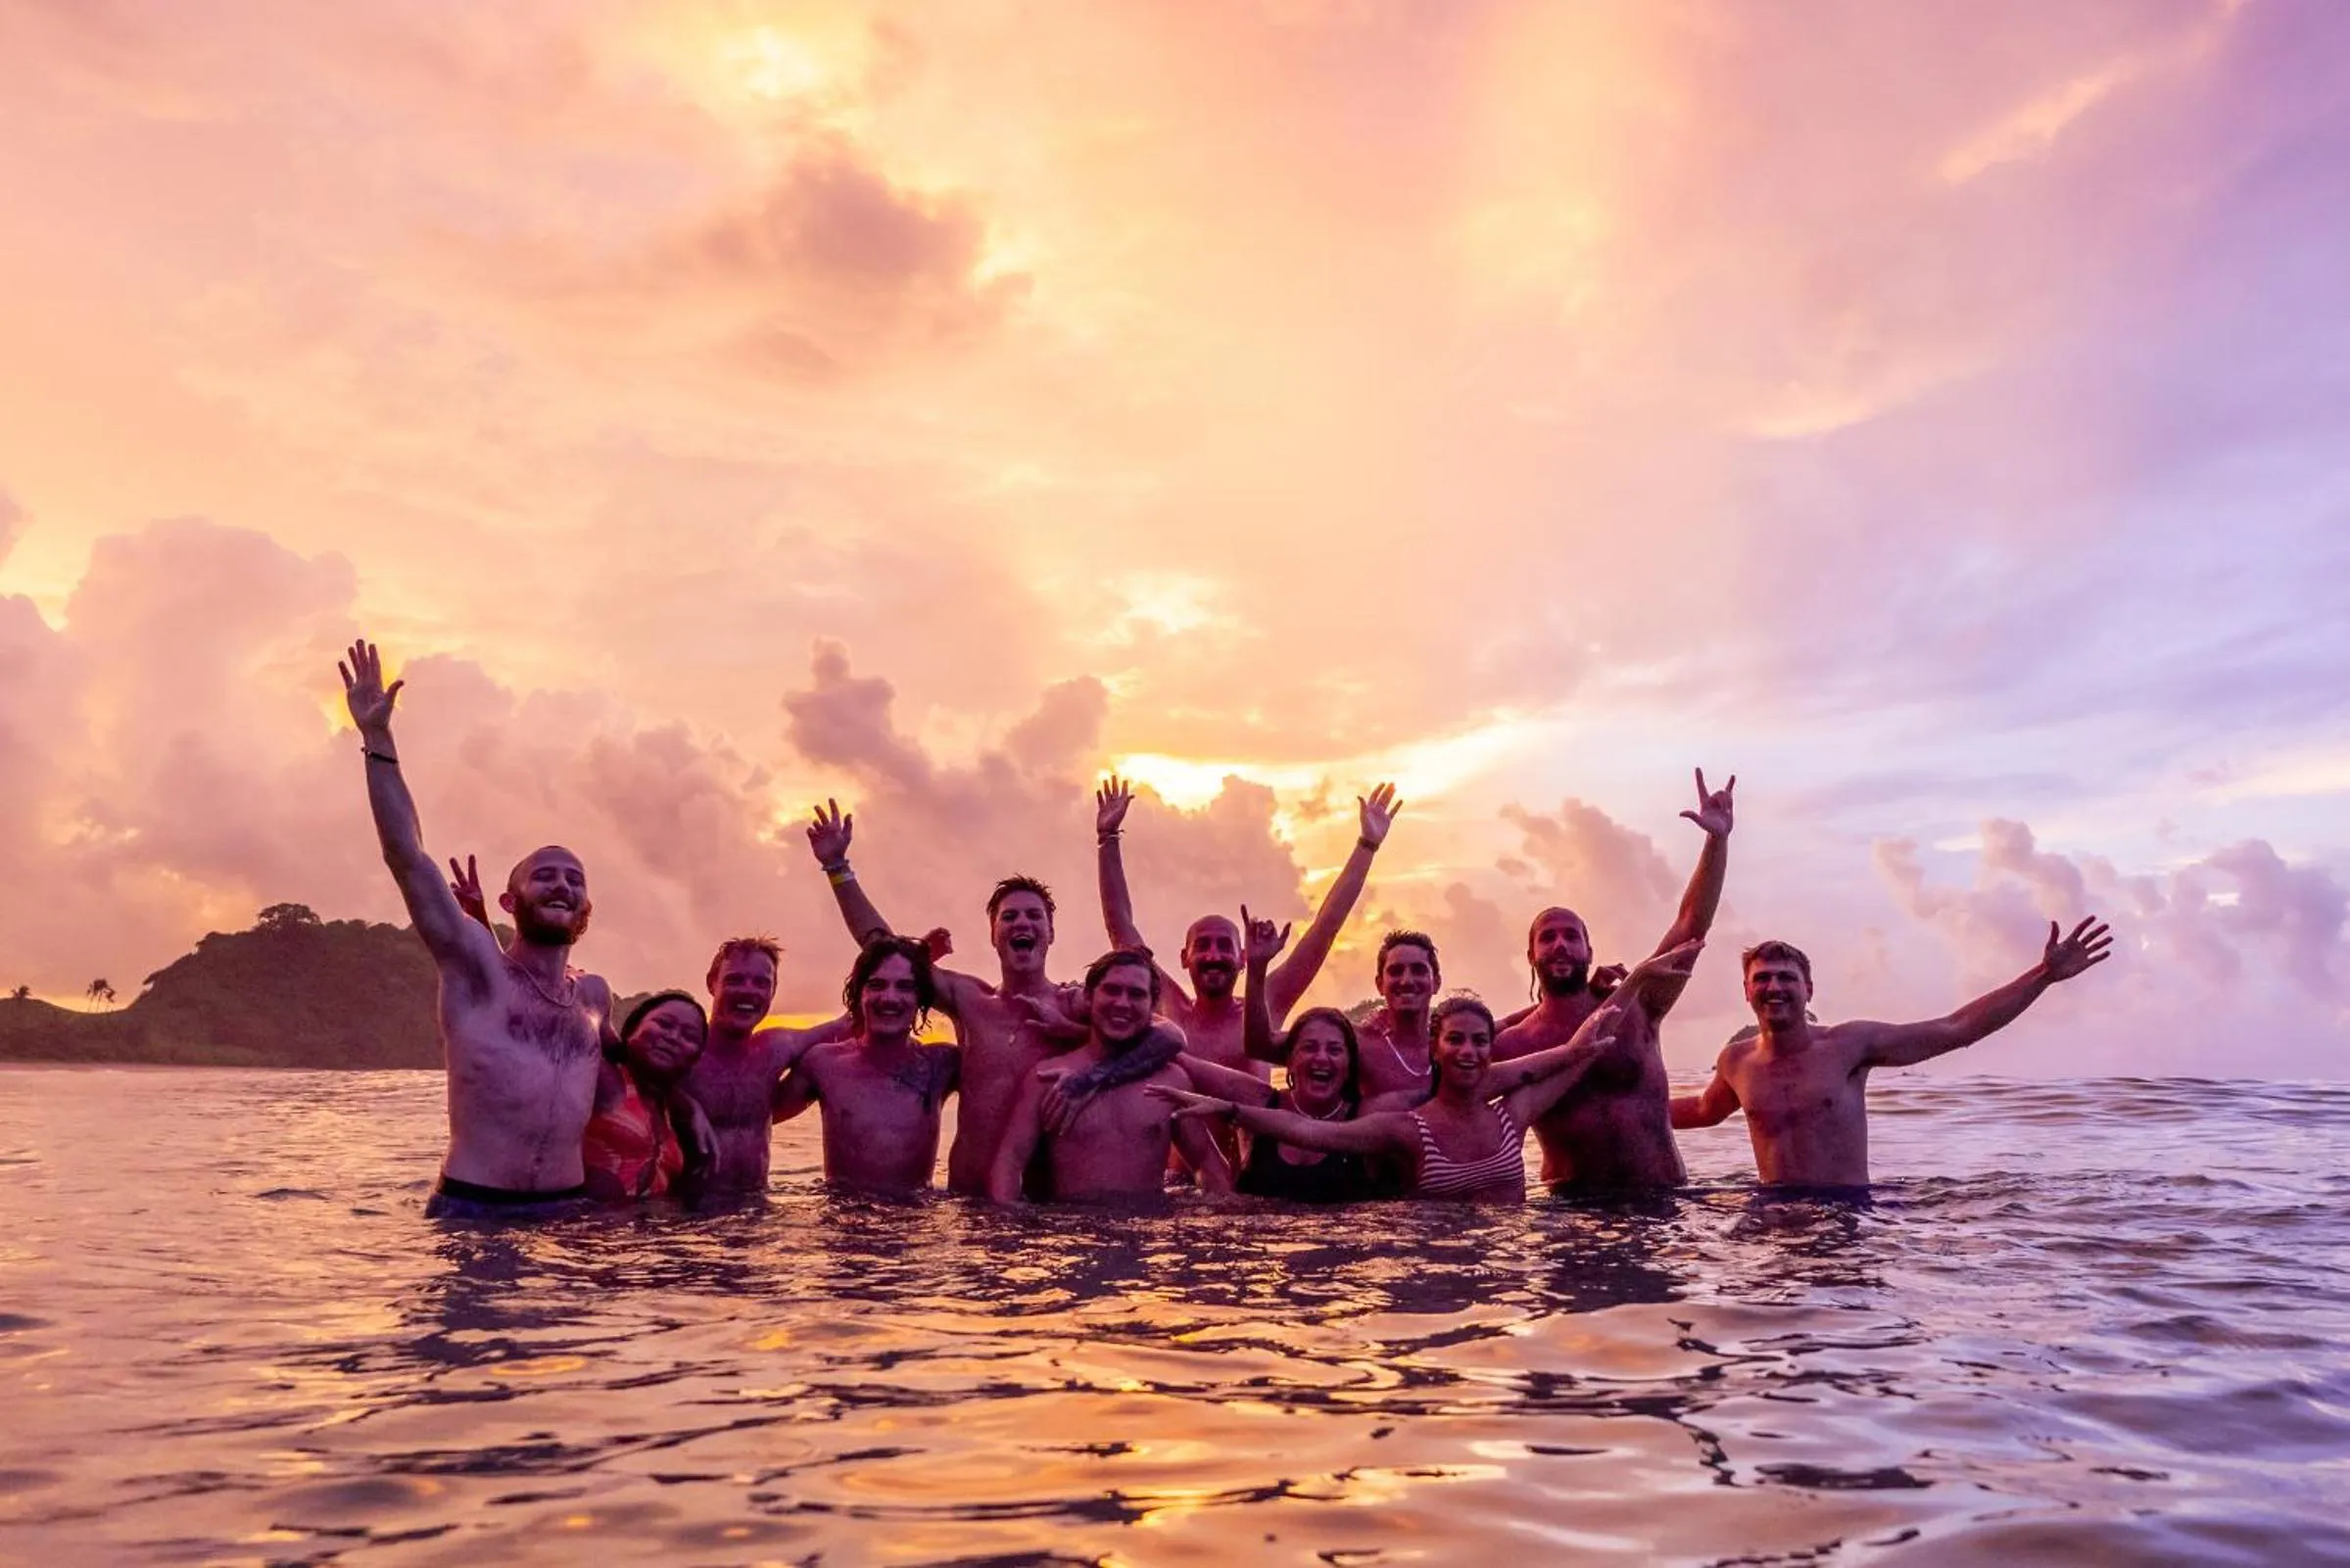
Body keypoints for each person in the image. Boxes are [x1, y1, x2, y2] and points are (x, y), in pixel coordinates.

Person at [339, 641, 614, 1219]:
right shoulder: (477, 968)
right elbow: (408, 857)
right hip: (476, 1213)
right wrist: (378, 740)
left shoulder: (594, 997)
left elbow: (641, 1071)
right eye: (544, 876)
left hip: (568, 1214)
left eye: (574, 879)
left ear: (587, 905)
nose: (561, 885)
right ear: (511, 901)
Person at [1152, 943, 1703, 1204]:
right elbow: (1311, 1130)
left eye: (1479, 1042)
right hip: (1404, 1231)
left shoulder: (1510, 1109)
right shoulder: (1400, 1123)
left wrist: (1636, 981)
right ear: (1438, 1050)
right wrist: (1230, 1111)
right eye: (1456, 1041)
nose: (1468, 1051)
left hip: (1504, 1269)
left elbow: (1577, 1050)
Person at [806, 802, 1165, 1194]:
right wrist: (837, 868)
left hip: (1040, 1211)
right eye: (1009, 917)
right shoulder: (969, 1001)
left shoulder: (1075, 1004)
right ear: (993, 934)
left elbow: (1164, 1034)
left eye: (1034, 916)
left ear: (1050, 933)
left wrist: (1072, 1035)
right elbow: (883, 950)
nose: (1022, 922)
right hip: (967, 1205)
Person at [1671, 921, 2114, 1186]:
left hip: (1845, 1209)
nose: (1774, 987)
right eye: (1763, 978)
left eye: (1787, 978)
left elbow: (1957, 1029)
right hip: (1771, 1209)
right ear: (1746, 990)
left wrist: (2043, 975)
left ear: (1808, 990)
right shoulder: (1736, 1061)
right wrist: (1623, 1101)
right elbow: (1704, 1110)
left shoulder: (1849, 1045)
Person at [1493, 768, 1735, 1192]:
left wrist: (1717, 841)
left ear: (1590, 952)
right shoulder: (1512, 1043)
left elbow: (1690, 926)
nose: (1560, 944)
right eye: (1547, 938)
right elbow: (1450, 1090)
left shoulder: (1640, 1004)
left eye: (1571, 936)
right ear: (1531, 956)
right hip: (1571, 1211)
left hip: (1663, 1203)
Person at [1094, 777, 1400, 1077]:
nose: (1214, 955)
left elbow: (1325, 928)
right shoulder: (1169, 1006)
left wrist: (1367, 845)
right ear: (1184, 958)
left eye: (1224, 946)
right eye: (1203, 946)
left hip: (1248, 1112)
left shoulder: (1264, 1004)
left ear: (1243, 958)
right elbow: (1120, 928)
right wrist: (1108, 837)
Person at [988, 950, 1235, 1203]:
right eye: (1112, 990)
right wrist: (1010, 1213)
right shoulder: (1047, 1077)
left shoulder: (1172, 1080)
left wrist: (1218, 1212)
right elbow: (1010, 1159)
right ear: (1088, 997)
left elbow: (1207, 1162)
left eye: (1136, 994)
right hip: (1071, 1223)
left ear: (1153, 1006)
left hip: (1151, 1223)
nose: (1122, 1003)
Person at [773, 935, 961, 1195]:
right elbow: (755, 1119)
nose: (890, 997)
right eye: (876, 985)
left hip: (916, 1215)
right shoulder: (823, 1063)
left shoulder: (941, 1065)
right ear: (858, 994)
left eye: (905, 987)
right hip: (842, 1214)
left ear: (921, 997)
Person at [583, 991, 718, 1202]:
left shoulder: (673, 1113)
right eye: (664, 1024)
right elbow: (578, 1011)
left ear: (695, 1058)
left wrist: (691, 1107)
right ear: (632, 1028)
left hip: (655, 1221)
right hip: (580, 1219)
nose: (673, 1038)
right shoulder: (603, 1077)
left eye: (689, 1036)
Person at [1351, 930, 1442, 1102]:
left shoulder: (1452, 1047)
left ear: (1436, 983)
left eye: (1418, 970)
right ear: (1380, 984)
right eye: (1396, 971)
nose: (1407, 981)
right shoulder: (1360, 1045)